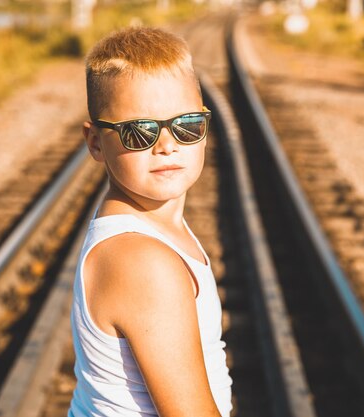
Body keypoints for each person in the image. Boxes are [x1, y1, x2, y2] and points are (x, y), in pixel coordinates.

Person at [68, 26, 233, 417]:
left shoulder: (156, 229)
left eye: (187, 124)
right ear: (95, 143)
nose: (167, 144)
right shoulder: (142, 260)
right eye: (138, 132)